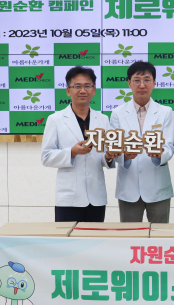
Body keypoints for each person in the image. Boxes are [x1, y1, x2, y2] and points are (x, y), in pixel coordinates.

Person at [41, 66, 119, 222]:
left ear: (94, 90)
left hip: (96, 197)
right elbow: (46, 157)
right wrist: (72, 152)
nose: (83, 90)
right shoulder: (55, 119)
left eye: (87, 86)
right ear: (68, 91)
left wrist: (109, 157)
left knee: (94, 236)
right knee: (67, 238)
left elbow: (104, 156)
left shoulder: (103, 119)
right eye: (77, 86)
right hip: (69, 198)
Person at [109, 61, 174, 223]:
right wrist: (124, 156)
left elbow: (169, 145)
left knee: (160, 234)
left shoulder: (165, 112)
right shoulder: (117, 113)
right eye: (137, 80)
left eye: (147, 80)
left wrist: (160, 154)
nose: (142, 85)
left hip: (158, 187)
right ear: (129, 83)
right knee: (130, 235)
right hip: (128, 186)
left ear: (154, 83)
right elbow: (113, 147)